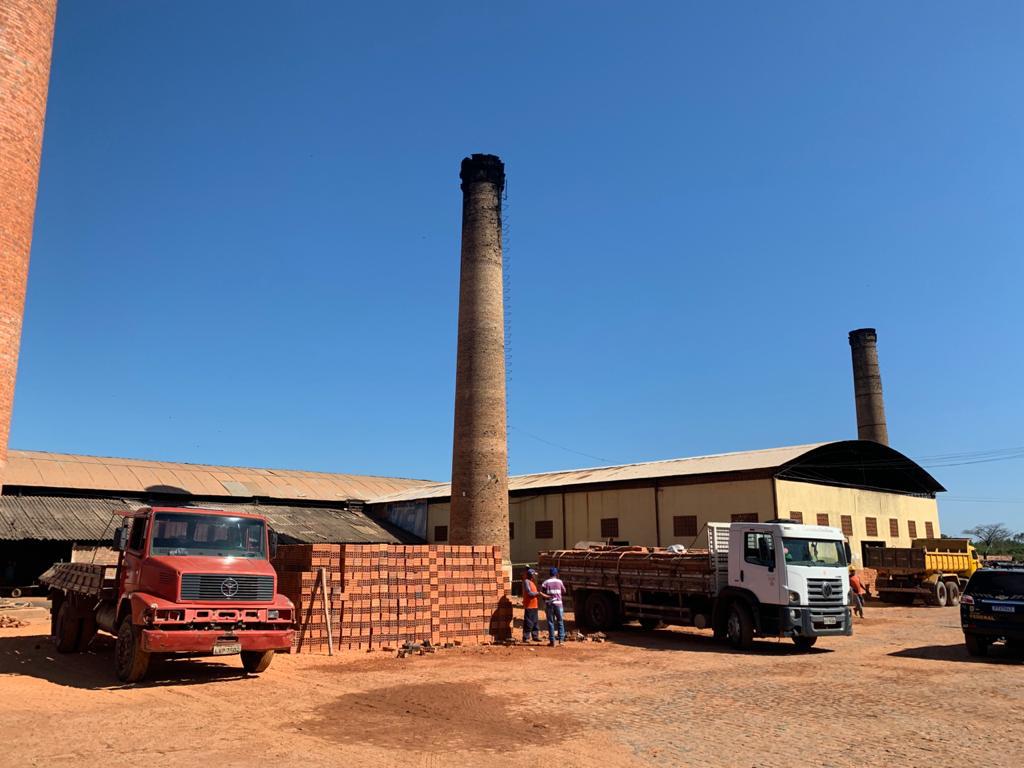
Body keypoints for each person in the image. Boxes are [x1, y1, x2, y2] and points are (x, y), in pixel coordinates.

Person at [541, 567, 566, 646]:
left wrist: (547, 598)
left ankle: (552, 642)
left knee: (551, 622)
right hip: (558, 604)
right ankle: (561, 640)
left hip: (549, 604)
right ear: (556, 574)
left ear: (550, 574)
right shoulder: (560, 581)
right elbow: (564, 591)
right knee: (560, 621)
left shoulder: (545, 582)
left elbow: (541, 593)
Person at [521, 568, 541, 643]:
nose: (535, 576)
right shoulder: (527, 582)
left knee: (535, 622)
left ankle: (535, 636)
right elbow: (529, 593)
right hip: (529, 605)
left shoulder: (532, 582)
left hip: (534, 606)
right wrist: (538, 593)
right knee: (528, 622)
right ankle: (526, 637)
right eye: (534, 575)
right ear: (531, 575)